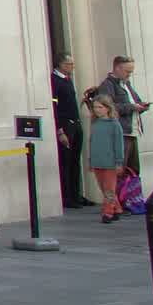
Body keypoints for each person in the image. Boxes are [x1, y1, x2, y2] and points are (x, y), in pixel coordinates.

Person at [52, 54, 95, 208]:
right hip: (65, 125)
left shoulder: (67, 80)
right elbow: (55, 107)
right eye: (68, 63)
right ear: (60, 64)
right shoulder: (55, 81)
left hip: (75, 123)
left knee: (75, 161)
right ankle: (67, 197)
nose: (72, 66)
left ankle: (76, 194)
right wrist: (60, 130)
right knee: (66, 162)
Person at [95, 55, 150, 174]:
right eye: (127, 71)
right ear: (117, 68)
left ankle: (133, 192)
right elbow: (107, 107)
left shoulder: (126, 84)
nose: (129, 74)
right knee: (120, 171)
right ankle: (121, 192)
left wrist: (141, 106)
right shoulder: (107, 85)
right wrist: (132, 107)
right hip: (121, 132)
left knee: (134, 170)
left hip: (132, 131)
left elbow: (135, 100)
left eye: (131, 72)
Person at [88, 95, 127, 224]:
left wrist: (118, 162)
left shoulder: (114, 125)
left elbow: (119, 144)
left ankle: (108, 212)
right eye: (95, 107)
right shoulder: (95, 124)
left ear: (107, 108)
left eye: (100, 107)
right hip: (97, 161)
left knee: (109, 189)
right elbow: (92, 142)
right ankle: (117, 209)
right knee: (103, 188)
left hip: (110, 163)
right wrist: (90, 160)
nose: (97, 110)